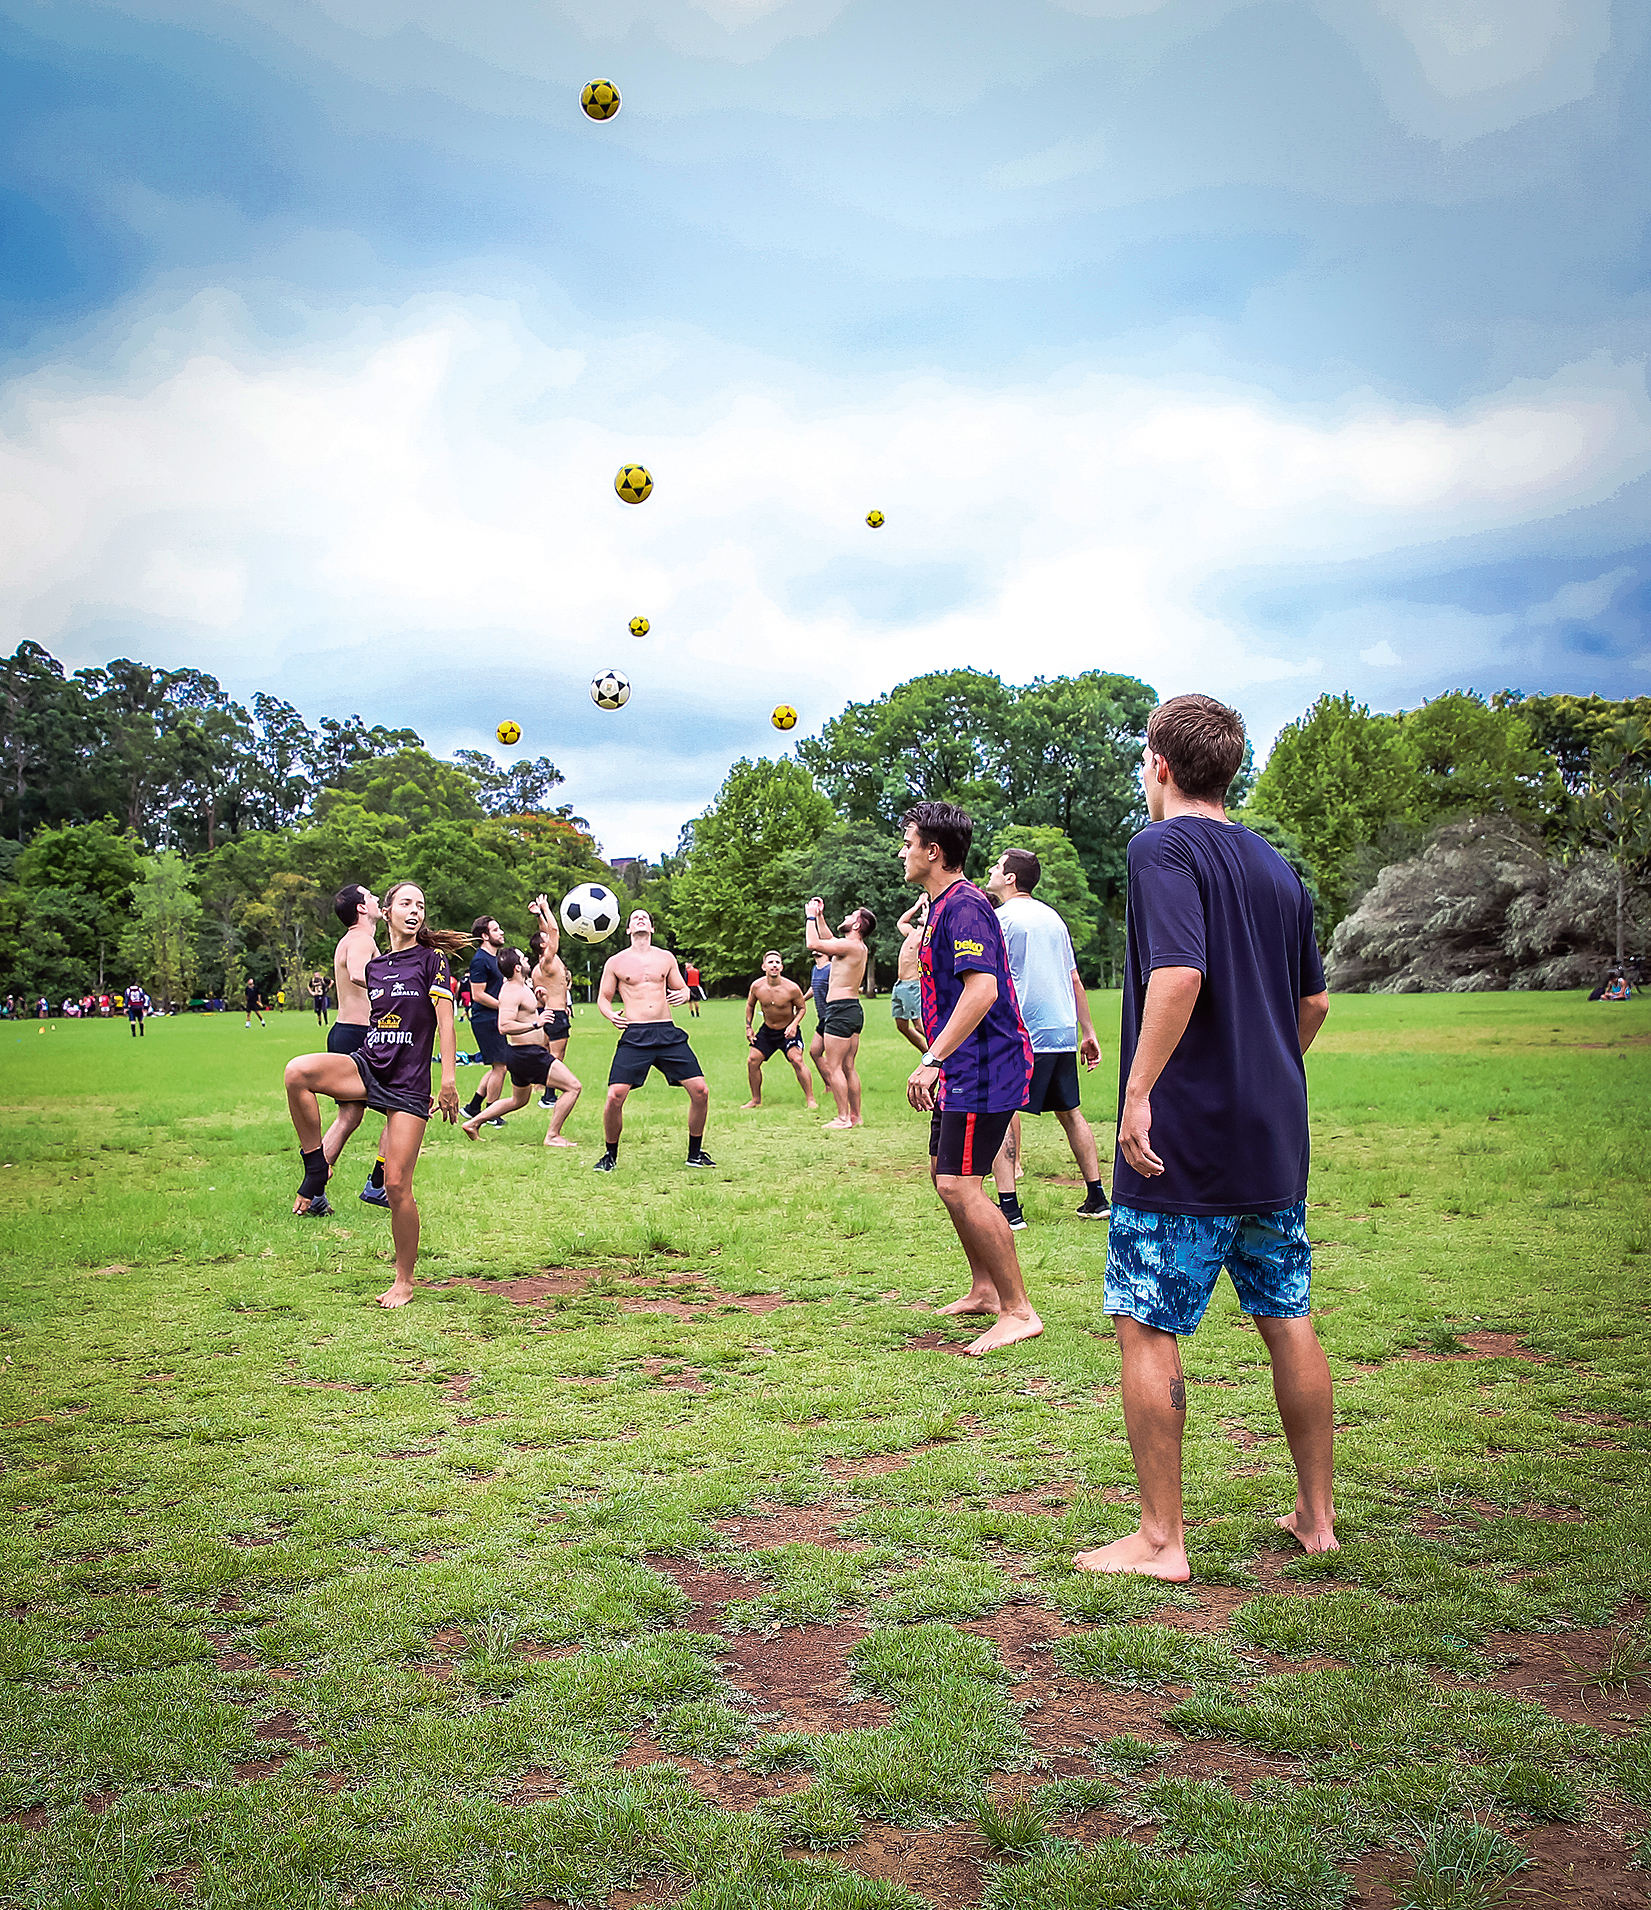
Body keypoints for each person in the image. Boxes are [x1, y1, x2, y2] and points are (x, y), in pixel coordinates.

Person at [1074, 694, 1334, 1582]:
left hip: (1180, 1139)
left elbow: (1177, 973)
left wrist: (1138, 1091)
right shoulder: (1275, 866)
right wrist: (1263, 1069)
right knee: (1286, 1316)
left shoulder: (1161, 847)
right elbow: (1313, 1004)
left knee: (1145, 1323)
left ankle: (1160, 1541)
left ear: (1160, 765)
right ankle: (1316, 1517)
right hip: (1272, 1138)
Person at [283, 881, 466, 1306]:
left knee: (397, 1185)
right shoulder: (378, 966)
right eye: (405, 903)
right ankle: (315, 1168)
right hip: (369, 1063)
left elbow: (446, 1022)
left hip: (409, 1081)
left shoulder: (432, 960)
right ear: (387, 911)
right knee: (298, 1073)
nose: (414, 909)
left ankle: (404, 1280)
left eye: (420, 904)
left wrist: (449, 1080)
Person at [900, 801, 1038, 1356]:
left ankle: (1018, 1311)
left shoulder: (966, 907)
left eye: (909, 842)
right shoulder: (939, 907)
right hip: (960, 1067)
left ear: (934, 852)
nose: (902, 851)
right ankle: (985, 1290)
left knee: (961, 1184)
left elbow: (982, 991)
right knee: (945, 1177)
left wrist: (931, 1058)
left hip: (986, 1067)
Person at [982, 847, 1110, 1229]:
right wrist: (1087, 1031)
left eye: (997, 866)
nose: (991, 870)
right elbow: (1072, 978)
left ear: (1009, 878)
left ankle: (1009, 1208)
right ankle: (1097, 1196)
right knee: (1070, 1112)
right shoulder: (1054, 919)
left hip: (1021, 1032)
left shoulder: (1000, 919)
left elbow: (988, 978)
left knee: (1000, 1112)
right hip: (1059, 1031)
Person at [592, 909, 712, 1172]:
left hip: (667, 1032)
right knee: (615, 1096)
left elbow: (681, 987)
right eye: (635, 917)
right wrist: (610, 1014)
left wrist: (683, 994)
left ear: (652, 928)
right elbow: (603, 997)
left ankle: (695, 1153)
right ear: (627, 929)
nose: (640, 919)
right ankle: (609, 1155)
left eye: (644, 917)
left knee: (701, 1091)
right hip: (635, 1034)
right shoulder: (616, 962)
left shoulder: (665, 958)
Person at [318, 884, 392, 1209]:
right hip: (361, 1037)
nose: (377, 900)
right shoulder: (362, 940)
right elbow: (359, 973)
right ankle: (378, 1184)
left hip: (344, 1033)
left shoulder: (351, 940)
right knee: (402, 1109)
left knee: (349, 1116)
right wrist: (396, 985)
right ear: (361, 908)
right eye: (372, 896)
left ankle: (313, 1188)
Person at [461, 947, 582, 1144]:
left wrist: (538, 997)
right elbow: (504, 1025)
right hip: (527, 1054)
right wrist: (537, 1023)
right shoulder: (510, 991)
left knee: (518, 1100)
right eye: (524, 958)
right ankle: (552, 1135)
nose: (528, 960)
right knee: (573, 1087)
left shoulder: (522, 986)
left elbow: (524, 1010)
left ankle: (473, 1123)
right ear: (517, 967)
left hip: (522, 1054)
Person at [805, 899, 873, 1129]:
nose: (846, 916)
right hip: (852, 1009)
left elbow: (813, 942)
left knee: (834, 1066)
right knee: (848, 1066)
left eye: (851, 915)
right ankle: (856, 1116)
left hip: (840, 1010)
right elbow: (829, 940)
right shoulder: (854, 947)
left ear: (857, 925)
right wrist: (821, 917)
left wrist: (810, 916)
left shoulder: (851, 947)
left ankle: (843, 1118)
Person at [741, 952, 816, 1109]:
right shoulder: (757, 986)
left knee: (797, 1060)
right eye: (770, 962)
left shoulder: (792, 988)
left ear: (781, 967)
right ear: (764, 967)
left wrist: (794, 1024)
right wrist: (749, 1027)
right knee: (752, 1061)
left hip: (788, 1031)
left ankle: (811, 1100)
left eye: (777, 962)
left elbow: (802, 1008)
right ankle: (756, 1100)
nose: (774, 965)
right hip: (768, 1030)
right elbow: (750, 1006)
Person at [462, 916, 510, 1126]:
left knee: (497, 1066)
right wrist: (504, 1006)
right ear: (484, 936)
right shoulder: (480, 960)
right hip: (485, 1019)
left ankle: (473, 1107)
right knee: (501, 1067)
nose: (501, 933)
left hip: (494, 1017)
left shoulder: (494, 959)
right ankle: (492, 1113)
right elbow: (478, 994)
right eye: (496, 929)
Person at [527, 894, 574, 1110]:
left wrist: (538, 916)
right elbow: (554, 931)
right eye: (547, 940)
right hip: (556, 1015)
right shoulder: (548, 961)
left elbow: (547, 932)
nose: (551, 939)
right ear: (544, 946)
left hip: (546, 1013)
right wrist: (546, 908)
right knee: (557, 1055)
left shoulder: (539, 966)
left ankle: (540, 1087)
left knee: (545, 1051)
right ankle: (548, 1095)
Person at [890, 898, 928, 1054]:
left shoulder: (926, 936)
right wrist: (917, 905)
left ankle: (944, 1055)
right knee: (901, 1025)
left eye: (926, 909)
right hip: (900, 985)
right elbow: (901, 922)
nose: (922, 910)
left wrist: (929, 917)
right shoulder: (912, 932)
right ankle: (927, 1053)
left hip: (914, 985)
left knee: (920, 1026)